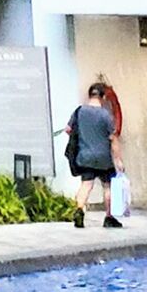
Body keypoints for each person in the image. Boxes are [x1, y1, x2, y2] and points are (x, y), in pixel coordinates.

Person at [63, 85, 119, 229]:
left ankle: (80, 210)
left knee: (86, 185)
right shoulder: (106, 115)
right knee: (107, 186)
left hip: (85, 156)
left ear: (89, 95)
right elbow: (113, 137)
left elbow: (68, 130)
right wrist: (118, 159)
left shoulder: (79, 111)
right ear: (103, 97)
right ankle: (108, 217)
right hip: (103, 158)